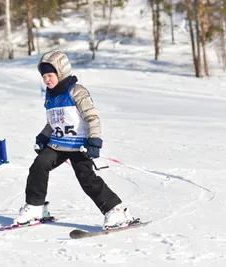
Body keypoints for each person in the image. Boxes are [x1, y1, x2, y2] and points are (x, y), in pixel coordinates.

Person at [13, 50, 135, 229]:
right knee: (39, 165)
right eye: (43, 76)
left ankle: (116, 211)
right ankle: (35, 207)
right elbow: (53, 121)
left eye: (50, 75)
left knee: (87, 178)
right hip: (58, 144)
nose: (47, 79)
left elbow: (92, 117)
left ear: (61, 72)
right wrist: (43, 137)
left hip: (79, 145)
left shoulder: (76, 91)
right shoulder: (50, 95)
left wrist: (94, 141)